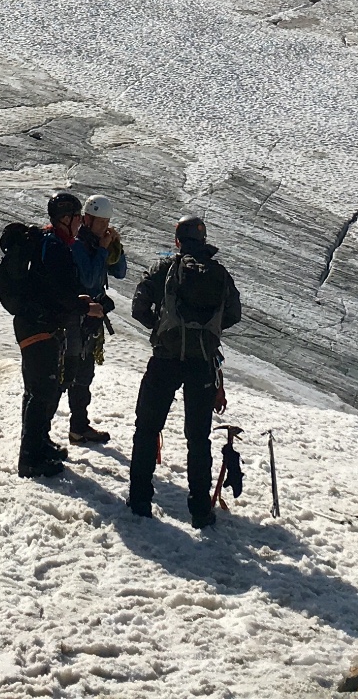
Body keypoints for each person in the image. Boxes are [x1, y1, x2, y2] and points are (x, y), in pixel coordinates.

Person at [128, 214, 242, 527]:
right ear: (203, 241)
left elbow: (138, 306)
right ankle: (200, 510)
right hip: (202, 362)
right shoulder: (219, 273)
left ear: (178, 240)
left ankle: (139, 501)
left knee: (148, 428)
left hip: (165, 359)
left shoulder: (164, 268)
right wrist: (205, 331)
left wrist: (162, 328)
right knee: (198, 438)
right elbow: (234, 313)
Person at [14, 192, 96, 478]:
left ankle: (40, 444)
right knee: (42, 391)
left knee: (39, 389)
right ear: (66, 218)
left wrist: (80, 301)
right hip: (38, 326)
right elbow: (60, 294)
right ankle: (30, 459)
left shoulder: (51, 243)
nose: (80, 224)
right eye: (77, 218)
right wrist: (87, 305)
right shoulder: (56, 247)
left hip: (34, 325)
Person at [66, 194, 128, 444]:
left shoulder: (94, 245)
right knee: (74, 372)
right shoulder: (78, 246)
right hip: (78, 319)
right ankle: (75, 426)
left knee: (84, 373)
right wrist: (103, 249)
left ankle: (79, 426)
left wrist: (115, 248)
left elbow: (120, 272)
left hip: (91, 319)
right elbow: (90, 279)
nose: (105, 227)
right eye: (101, 222)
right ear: (88, 220)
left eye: (107, 223)